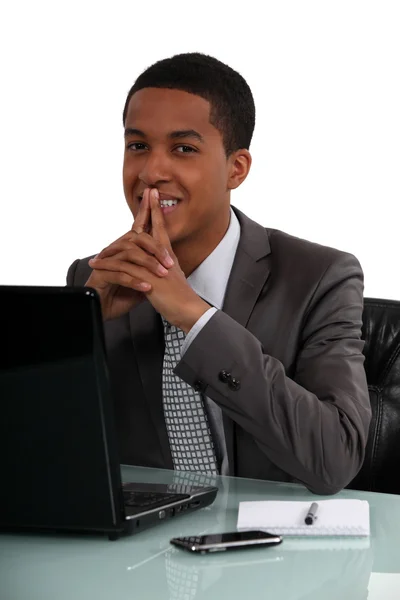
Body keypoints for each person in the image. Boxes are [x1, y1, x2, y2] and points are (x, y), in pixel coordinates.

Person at [67, 52, 371, 494]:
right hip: (139, 552)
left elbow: (334, 458)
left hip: (274, 551)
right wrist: (78, 329)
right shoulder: (94, 279)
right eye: (138, 146)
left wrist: (196, 318)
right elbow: (45, 453)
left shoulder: (321, 278)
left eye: (183, 149)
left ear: (236, 168)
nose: (151, 172)